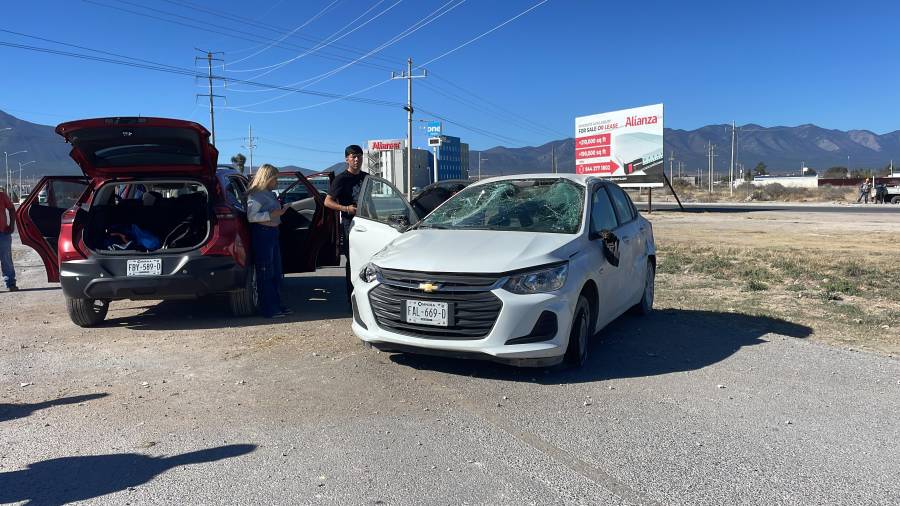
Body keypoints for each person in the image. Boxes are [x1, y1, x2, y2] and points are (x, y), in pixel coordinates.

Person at [324, 145, 368, 301]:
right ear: (347, 159)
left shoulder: (366, 177)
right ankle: (352, 300)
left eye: (359, 156)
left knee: (368, 261)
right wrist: (346, 208)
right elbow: (327, 202)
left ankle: (367, 299)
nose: (357, 160)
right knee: (353, 261)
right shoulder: (341, 179)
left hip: (368, 223)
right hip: (351, 225)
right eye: (353, 157)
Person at [246, 164, 290, 318]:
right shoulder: (256, 195)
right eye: (275, 178)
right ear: (268, 178)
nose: (277, 181)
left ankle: (277, 305)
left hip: (272, 232)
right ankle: (269, 308)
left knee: (277, 272)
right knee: (266, 272)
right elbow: (251, 217)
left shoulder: (269, 193)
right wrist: (272, 214)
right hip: (263, 233)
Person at [0, 186, 17, 292]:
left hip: (3, 233)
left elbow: (11, 208)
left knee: (6, 259)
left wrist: (11, 225)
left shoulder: (1, 196)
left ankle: (10, 283)